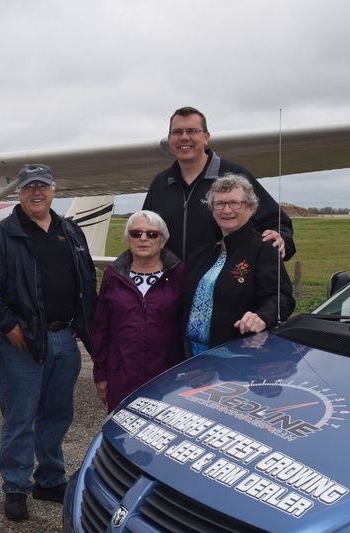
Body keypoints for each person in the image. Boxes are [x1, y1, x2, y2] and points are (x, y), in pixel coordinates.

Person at [0, 164, 96, 522]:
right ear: (19, 193)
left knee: (58, 414)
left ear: (54, 190)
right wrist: (9, 327)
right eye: (29, 187)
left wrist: (81, 321)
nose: (36, 192)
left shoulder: (71, 231)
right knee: (20, 416)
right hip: (23, 341)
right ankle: (15, 485)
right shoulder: (1, 236)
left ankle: (50, 478)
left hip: (64, 337)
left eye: (43, 186)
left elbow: (86, 279)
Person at [142, 106, 295, 268]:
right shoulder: (161, 183)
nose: (184, 137)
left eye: (192, 131)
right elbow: (144, 230)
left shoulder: (235, 176)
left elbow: (276, 221)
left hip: (223, 287)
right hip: (170, 286)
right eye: (177, 132)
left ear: (206, 137)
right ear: (170, 138)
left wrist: (281, 238)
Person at [185, 174, 295, 357]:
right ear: (212, 209)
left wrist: (262, 317)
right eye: (219, 204)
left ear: (251, 208)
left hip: (235, 355)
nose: (226, 210)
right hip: (192, 355)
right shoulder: (206, 250)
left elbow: (282, 297)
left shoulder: (263, 248)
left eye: (235, 203)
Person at [90, 210, 184, 412]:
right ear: (127, 239)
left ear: (163, 240)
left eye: (152, 234)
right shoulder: (113, 275)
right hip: (122, 375)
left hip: (166, 376)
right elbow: (101, 328)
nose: (143, 238)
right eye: (136, 233)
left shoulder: (179, 275)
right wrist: (101, 374)